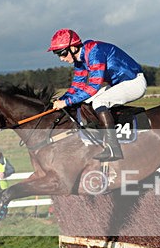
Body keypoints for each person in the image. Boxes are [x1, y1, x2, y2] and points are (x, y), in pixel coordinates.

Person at [48, 28, 146, 161]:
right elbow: (77, 85)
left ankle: (113, 148)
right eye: (57, 54)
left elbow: (93, 86)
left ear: (73, 47)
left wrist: (66, 103)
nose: (61, 58)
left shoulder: (95, 52)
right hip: (118, 84)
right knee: (86, 102)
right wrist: (61, 100)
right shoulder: (80, 59)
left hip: (134, 82)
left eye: (62, 53)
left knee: (98, 102)